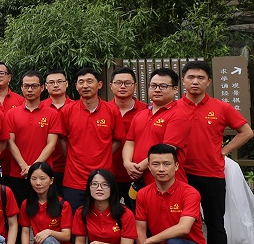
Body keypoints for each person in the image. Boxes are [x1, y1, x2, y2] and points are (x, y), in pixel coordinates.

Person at [179, 60, 253, 244]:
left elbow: (246, 132)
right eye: (191, 77)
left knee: (215, 224)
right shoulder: (174, 107)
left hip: (211, 174)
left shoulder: (221, 107)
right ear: (183, 80)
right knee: (180, 223)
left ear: (208, 81)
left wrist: (223, 151)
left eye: (201, 78)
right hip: (180, 175)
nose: (195, 81)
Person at [60, 67, 124, 212]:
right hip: (74, 179)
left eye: (90, 81)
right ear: (76, 86)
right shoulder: (67, 111)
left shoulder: (112, 111)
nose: (85, 85)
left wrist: (104, 154)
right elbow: (61, 139)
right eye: (81, 82)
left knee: (103, 219)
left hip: (104, 178)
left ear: (99, 85)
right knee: (74, 220)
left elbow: (118, 140)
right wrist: (72, 156)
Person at [122, 68, 189, 199]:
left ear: (175, 89)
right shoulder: (140, 115)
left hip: (167, 183)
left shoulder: (178, 116)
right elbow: (130, 141)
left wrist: (137, 169)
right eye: (153, 85)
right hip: (141, 181)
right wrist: (127, 163)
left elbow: (167, 150)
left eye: (163, 86)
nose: (157, 90)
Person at [3, 70, 61, 205]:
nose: (30, 89)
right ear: (21, 87)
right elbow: (10, 142)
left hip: (44, 174)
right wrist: (24, 166)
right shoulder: (11, 113)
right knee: (18, 210)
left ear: (42, 88)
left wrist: (34, 168)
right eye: (26, 86)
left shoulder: (52, 114)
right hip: (18, 172)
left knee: (45, 210)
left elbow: (52, 144)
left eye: (34, 86)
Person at [109, 67, 148, 201]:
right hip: (110, 173)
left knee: (138, 211)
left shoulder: (147, 111)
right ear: (111, 86)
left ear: (135, 86)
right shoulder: (104, 110)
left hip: (139, 173)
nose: (122, 86)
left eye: (127, 83)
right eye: (118, 83)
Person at [44, 69, 71, 189]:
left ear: (67, 83)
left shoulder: (76, 107)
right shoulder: (39, 107)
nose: (55, 85)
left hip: (71, 168)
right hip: (45, 166)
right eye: (51, 82)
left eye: (60, 81)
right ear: (45, 86)